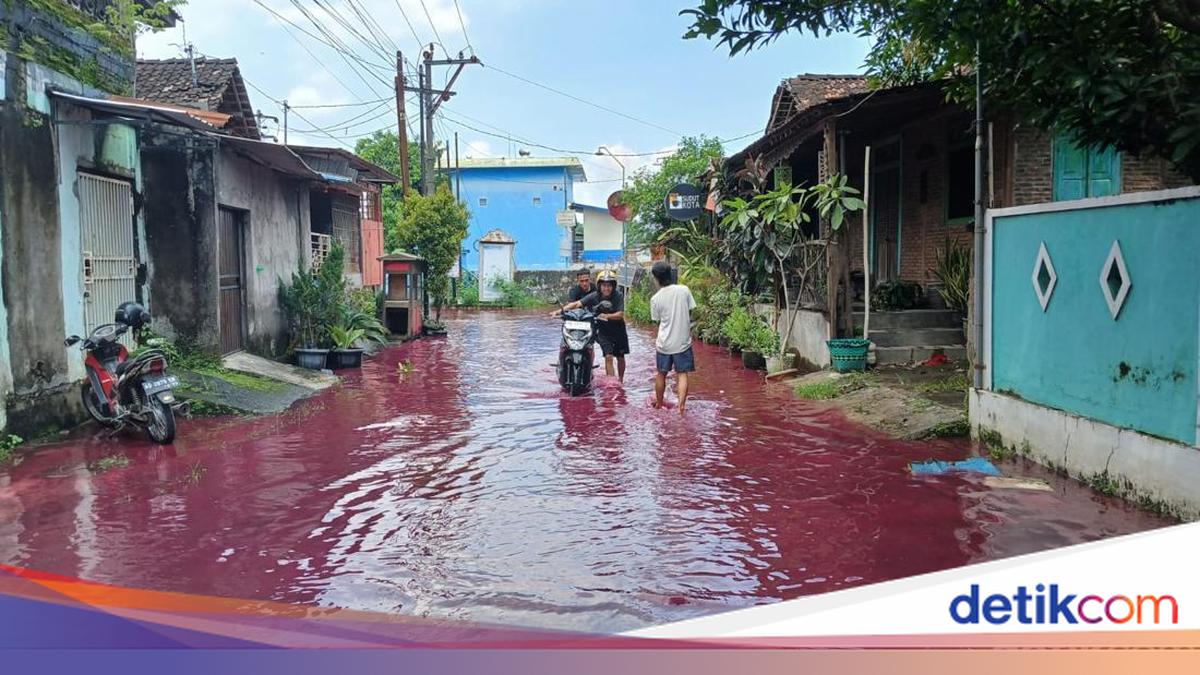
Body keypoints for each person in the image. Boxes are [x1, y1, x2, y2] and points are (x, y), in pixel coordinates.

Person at [554, 269, 630, 382]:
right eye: (604, 285)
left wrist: (607, 316)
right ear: (600, 286)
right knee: (608, 356)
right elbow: (577, 303)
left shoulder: (618, 296)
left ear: (613, 286)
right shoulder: (594, 295)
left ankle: (621, 380)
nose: (606, 288)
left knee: (620, 357)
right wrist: (559, 312)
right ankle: (612, 383)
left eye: (609, 285)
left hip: (618, 330)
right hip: (603, 331)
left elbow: (621, 314)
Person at [649, 261, 696, 415]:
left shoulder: (655, 299)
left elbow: (657, 320)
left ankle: (659, 404)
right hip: (682, 342)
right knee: (682, 374)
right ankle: (681, 407)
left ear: (656, 278)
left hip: (664, 343)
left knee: (661, 373)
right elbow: (691, 312)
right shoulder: (684, 290)